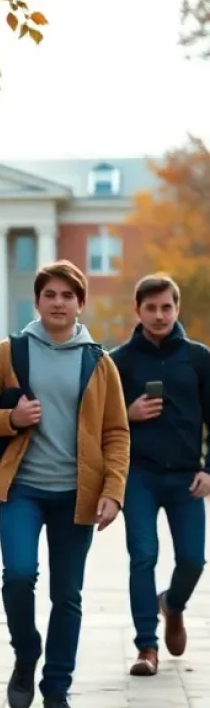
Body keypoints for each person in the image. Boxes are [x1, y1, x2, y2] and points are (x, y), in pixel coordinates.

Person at [0, 259, 129, 708]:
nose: (59, 303)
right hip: (22, 489)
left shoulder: (99, 362)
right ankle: (26, 652)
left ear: (81, 303)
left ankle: (57, 692)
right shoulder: (11, 352)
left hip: (77, 493)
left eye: (68, 296)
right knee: (18, 575)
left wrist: (113, 491)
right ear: (37, 302)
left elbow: (117, 432)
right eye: (50, 295)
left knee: (67, 595)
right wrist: (10, 420)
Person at [110, 275, 210, 677]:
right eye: (150, 308)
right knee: (143, 557)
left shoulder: (199, 358)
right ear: (138, 311)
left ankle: (172, 605)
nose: (158, 315)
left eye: (166, 307)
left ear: (177, 308)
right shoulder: (119, 361)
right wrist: (127, 415)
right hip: (140, 477)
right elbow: (99, 421)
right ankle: (146, 647)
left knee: (193, 560)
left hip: (188, 478)